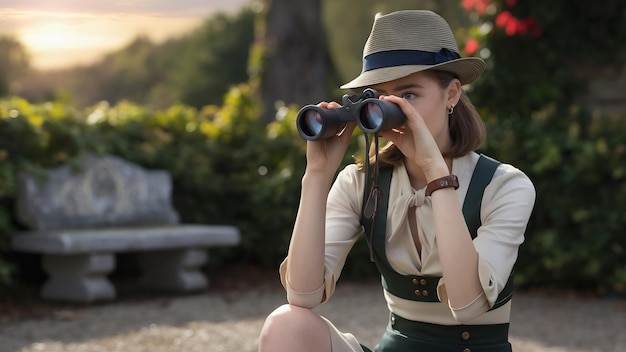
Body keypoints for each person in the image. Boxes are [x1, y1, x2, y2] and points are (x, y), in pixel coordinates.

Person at [258, 9, 535, 352]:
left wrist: (436, 173)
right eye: (379, 97)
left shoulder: (504, 186)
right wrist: (316, 175)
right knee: (287, 324)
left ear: (451, 94)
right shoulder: (361, 183)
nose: (393, 111)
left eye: (408, 95)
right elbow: (303, 294)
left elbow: (467, 305)